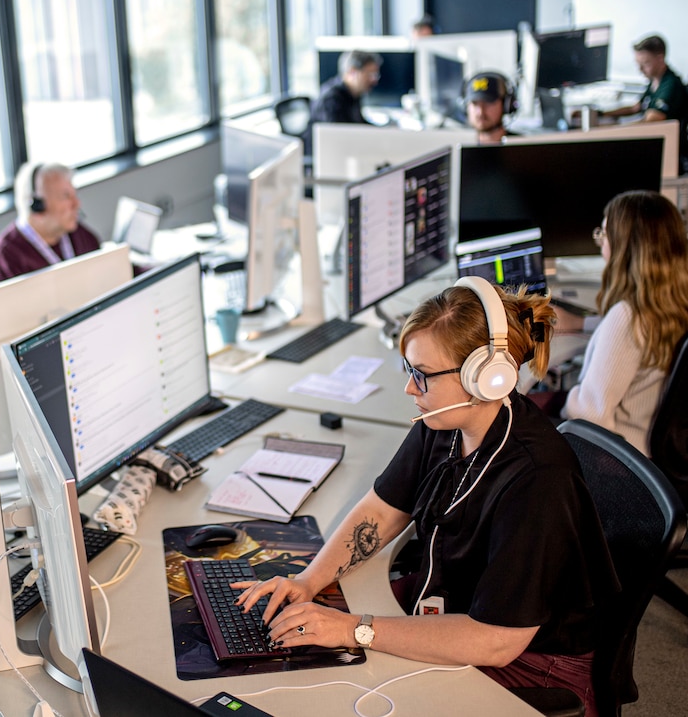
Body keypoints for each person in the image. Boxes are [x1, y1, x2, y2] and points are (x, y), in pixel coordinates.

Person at [235, 277, 618, 716]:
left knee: (344, 692)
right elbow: (381, 510)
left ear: (485, 379)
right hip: (450, 604)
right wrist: (309, 580)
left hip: (532, 662)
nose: (410, 389)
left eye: (422, 375)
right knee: (308, 650)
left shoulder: (539, 481)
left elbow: (498, 640)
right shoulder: (445, 423)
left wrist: (355, 630)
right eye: (409, 370)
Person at [557, 190, 688, 455]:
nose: (601, 243)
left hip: (620, 456)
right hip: (661, 447)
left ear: (624, 247)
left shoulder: (627, 317)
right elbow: (637, 333)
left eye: (605, 233)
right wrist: (580, 323)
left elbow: (588, 415)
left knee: (518, 411)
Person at [0, 162, 101, 286]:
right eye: (66, 196)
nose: (76, 203)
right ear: (37, 206)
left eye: (74, 194)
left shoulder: (81, 236)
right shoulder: (4, 260)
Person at [301, 50, 382, 154]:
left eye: (375, 75)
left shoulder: (354, 94)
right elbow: (341, 137)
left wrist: (384, 132)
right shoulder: (331, 99)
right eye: (370, 74)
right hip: (326, 159)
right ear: (352, 72)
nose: (374, 80)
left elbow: (360, 125)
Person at [599, 35, 688, 124]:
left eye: (645, 63)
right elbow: (635, 108)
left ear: (660, 58)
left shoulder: (670, 85)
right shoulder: (655, 80)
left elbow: (650, 121)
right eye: (638, 64)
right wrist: (601, 114)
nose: (640, 69)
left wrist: (614, 129)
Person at [464, 71, 517, 144]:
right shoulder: (458, 148)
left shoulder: (526, 148)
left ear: (506, 105)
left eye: (488, 103)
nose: (480, 112)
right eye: (475, 104)